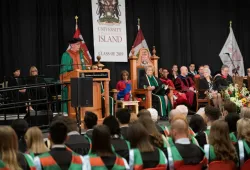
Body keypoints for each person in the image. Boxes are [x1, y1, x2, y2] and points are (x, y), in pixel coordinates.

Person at [60, 38, 87, 114]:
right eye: (77, 44)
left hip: (80, 81)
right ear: (72, 45)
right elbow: (64, 70)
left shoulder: (80, 54)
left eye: (79, 44)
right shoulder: (66, 55)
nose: (79, 46)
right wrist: (73, 68)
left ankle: (81, 114)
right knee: (69, 101)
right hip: (70, 83)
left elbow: (83, 67)